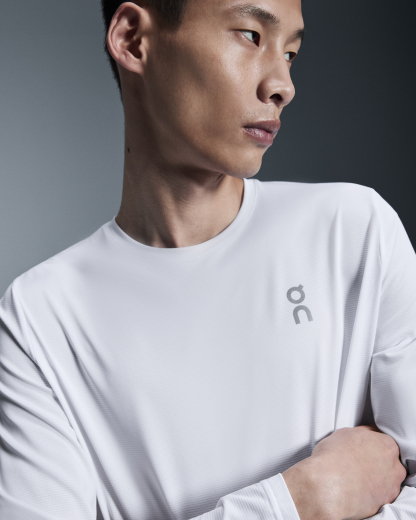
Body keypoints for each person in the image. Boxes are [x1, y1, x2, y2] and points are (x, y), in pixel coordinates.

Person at [0, 0, 414, 519]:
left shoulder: (353, 232)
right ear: (132, 40)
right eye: (250, 35)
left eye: (290, 53)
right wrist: (303, 501)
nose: (283, 85)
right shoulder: (39, 316)